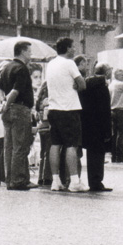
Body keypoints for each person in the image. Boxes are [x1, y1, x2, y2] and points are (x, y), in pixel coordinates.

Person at [44, 37, 88, 192]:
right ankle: (75, 181)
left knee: (55, 144)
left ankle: (55, 181)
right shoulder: (69, 63)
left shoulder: (50, 64)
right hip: (69, 109)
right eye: (73, 47)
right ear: (68, 49)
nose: (75, 49)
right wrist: (76, 85)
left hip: (54, 109)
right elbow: (82, 84)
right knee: (71, 145)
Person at [0, 41, 36, 190]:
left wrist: (3, 103)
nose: (31, 55)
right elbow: (16, 90)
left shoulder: (7, 67)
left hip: (8, 111)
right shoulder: (22, 68)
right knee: (20, 146)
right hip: (20, 108)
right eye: (29, 52)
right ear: (23, 52)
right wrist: (7, 102)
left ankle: (10, 178)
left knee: (9, 146)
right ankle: (18, 180)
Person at [77, 59, 113, 192]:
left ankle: (85, 180)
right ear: (106, 72)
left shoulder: (87, 83)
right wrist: (108, 130)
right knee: (98, 155)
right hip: (99, 125)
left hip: (87, 123)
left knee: (89, 154)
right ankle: (96, 182)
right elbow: (105, 110)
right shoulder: (102, 87)